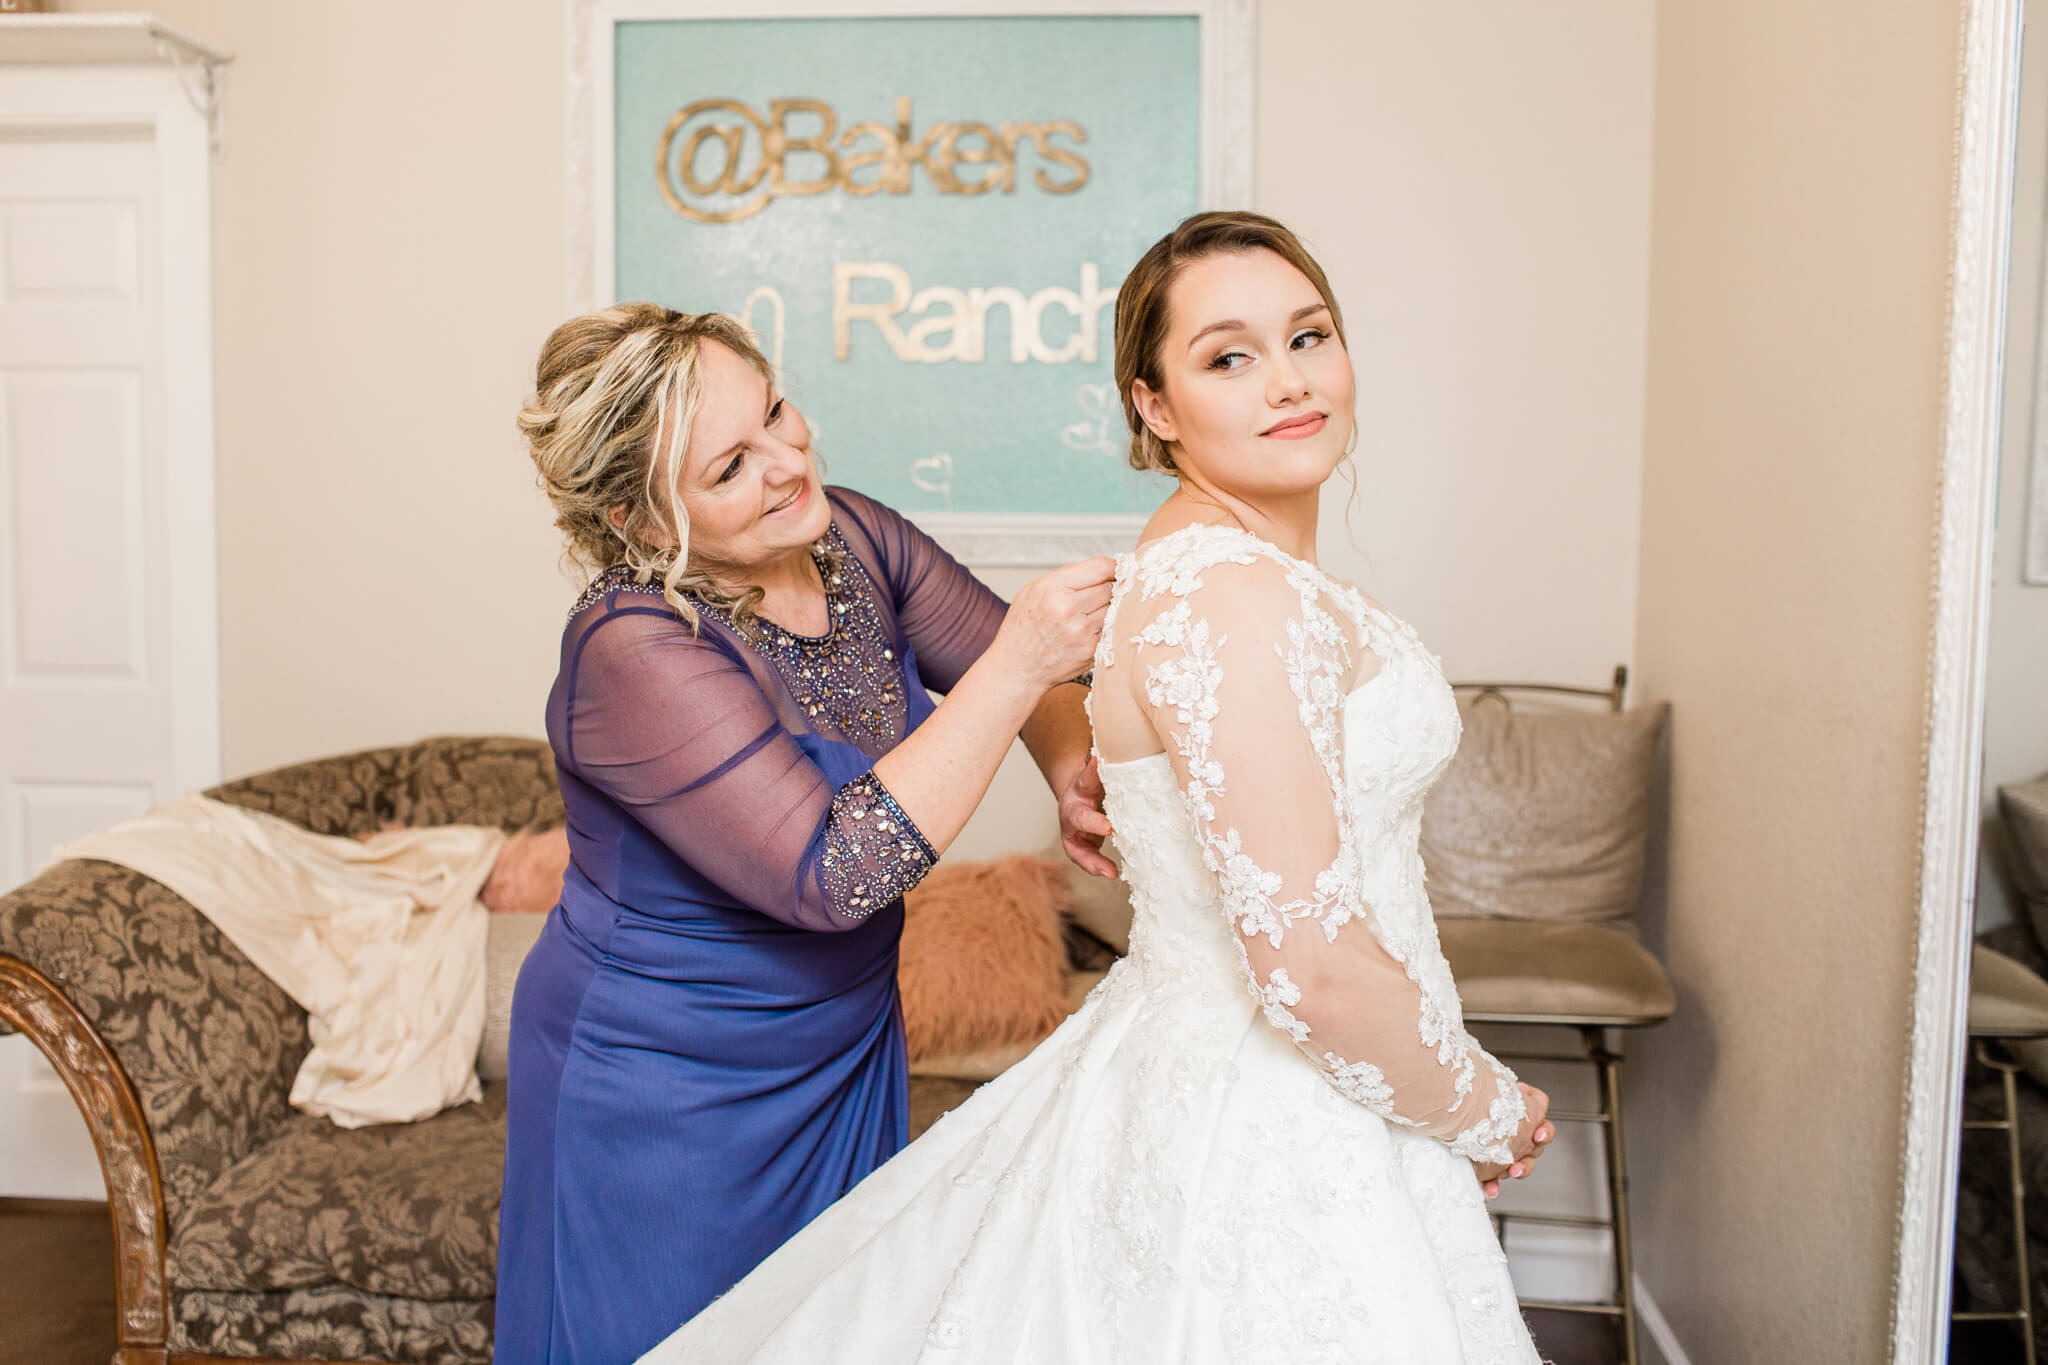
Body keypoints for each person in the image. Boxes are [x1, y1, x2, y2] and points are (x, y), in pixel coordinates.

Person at [636, 212, 1561, 1365]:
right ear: (1153, 408)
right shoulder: (1232, 596)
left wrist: (1089, 772)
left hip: (1299, 1077)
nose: (1286, 382)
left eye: (1308, 336)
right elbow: (1309, 963)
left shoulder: (1220, 577)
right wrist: (1477, 1105)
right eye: (1228, 356)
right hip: (1265, 1102)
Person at [494, 304, 1117, 1364]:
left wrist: (1067, 767)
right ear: (642, 520)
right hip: (669, 1088)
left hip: (839, 1047)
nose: (788, 461)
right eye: (730, 465)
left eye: (774, 411)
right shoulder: (632, 649)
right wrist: (1020, 663)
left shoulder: (849, 538)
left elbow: (1020, 671)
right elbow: (835, 872)